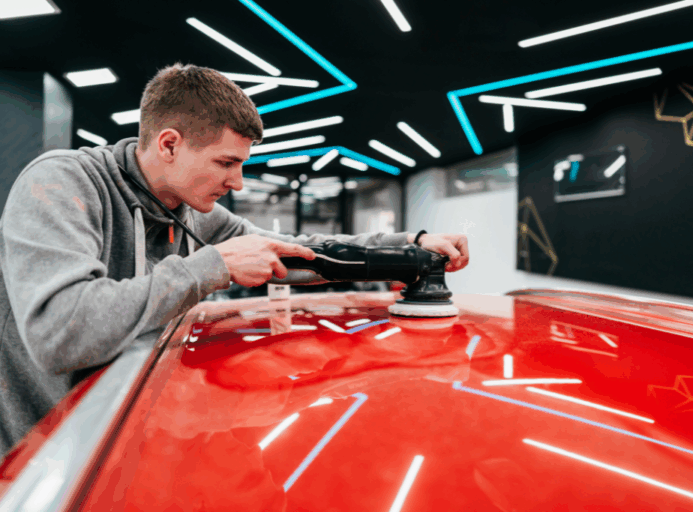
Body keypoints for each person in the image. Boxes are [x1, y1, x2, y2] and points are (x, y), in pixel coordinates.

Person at [0, 63, 469, 455]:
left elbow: (298, 253)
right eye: (226, 163)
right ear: (169, 144)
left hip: (125, 441)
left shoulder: (185, 210)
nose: (239, 182)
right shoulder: (62, 183)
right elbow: (60, 332)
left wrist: (409, 245)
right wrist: (212, 266)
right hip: (41, 464)